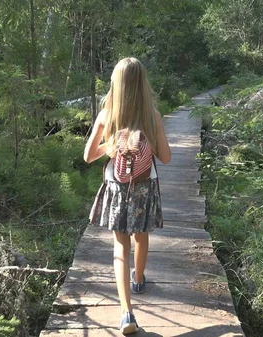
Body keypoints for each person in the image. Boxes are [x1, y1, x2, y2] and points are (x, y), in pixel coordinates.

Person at [83, 57, 171, 334]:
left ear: (115, 84)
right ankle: (140, 278)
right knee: (141, 235)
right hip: (144, 188)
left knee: (120, 246)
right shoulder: (152, 117)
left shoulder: (107, 115)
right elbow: (166, 158)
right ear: (143, 84)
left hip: (117, 187)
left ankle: (126, 313)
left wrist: (111, 146)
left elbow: (88, 156)